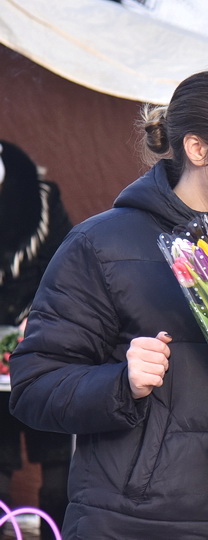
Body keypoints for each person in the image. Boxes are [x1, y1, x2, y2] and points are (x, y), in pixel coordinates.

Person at [8, 67, 208, 539]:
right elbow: (34, 385)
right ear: (198, 149)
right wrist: (121, 383)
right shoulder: (101, 245)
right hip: (132, 524)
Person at [0, 140, 73, 539]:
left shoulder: (43, 201)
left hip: (44, 345)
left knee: (58, 464)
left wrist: (38, 315)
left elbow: (65, 268)